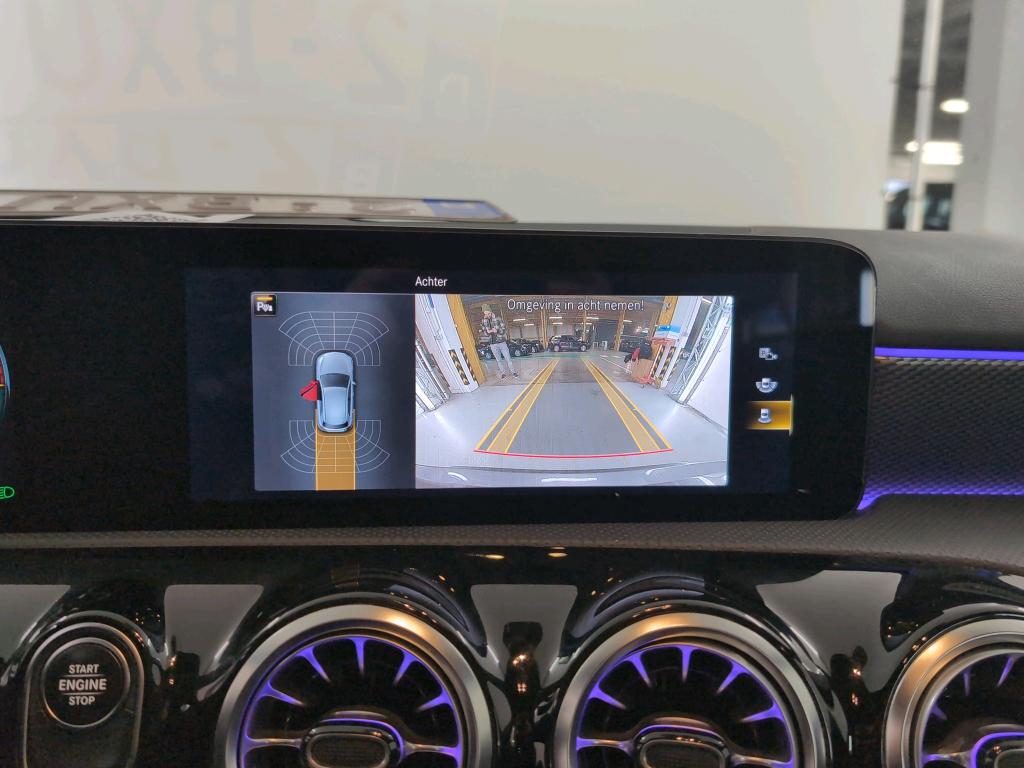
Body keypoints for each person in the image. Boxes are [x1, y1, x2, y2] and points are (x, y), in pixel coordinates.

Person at [479, 304, 517, 379]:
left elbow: (504, 330)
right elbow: (485, 333)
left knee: (508, 359)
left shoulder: (498, 319)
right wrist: (487, 332)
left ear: (491, 311)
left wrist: (497, 330)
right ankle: (503, 373)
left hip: (501, 342)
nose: (487, 315)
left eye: (488, 313)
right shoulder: (483, 321)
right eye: (485, 314)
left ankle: (514, 372)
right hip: (493, 344)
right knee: (498, 360)